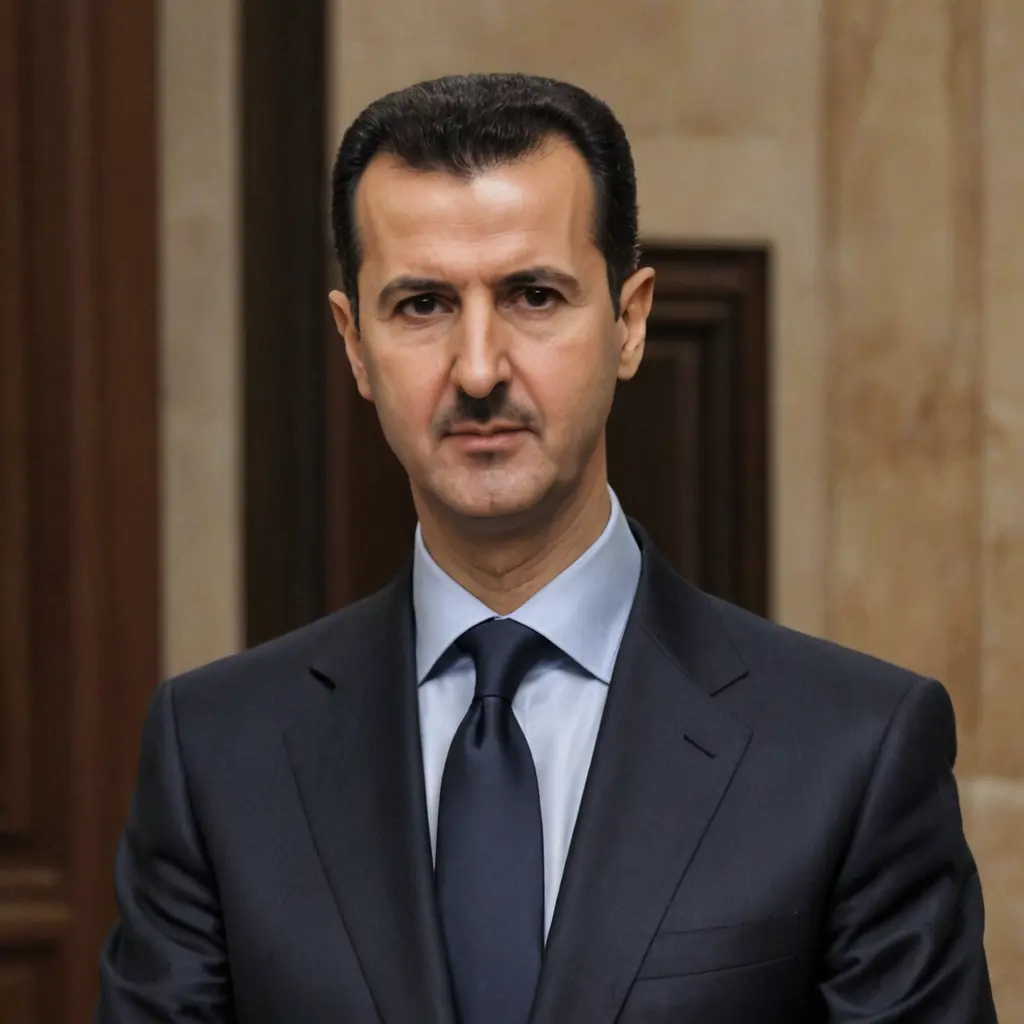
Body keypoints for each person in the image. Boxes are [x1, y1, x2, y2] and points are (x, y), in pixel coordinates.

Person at [96, 73, 996, 1023]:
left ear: (629, 321)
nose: (479, 369)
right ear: (354, 344)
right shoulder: (216, 755)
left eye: (532, 295)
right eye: (422, 305)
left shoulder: (852, 751)